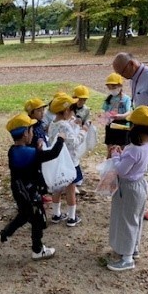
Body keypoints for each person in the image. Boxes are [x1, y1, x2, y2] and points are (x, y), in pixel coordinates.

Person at [0, 113, 67, 261]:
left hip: (19, 190)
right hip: (30, 193)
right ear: (25, 133)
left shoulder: (14, 150)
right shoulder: (29, 153)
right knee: (37, 219)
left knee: (25, 215)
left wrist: (36, 149)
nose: (32, 133)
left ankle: (1, 236)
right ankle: (37, 250)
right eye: (31, 130)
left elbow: (30, 159)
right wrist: (61, 139)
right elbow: (53, 154)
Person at [112, 52, 148, 221]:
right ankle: (135, 193)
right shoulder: (135, 78)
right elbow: (140, 105)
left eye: (122, 72)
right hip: (142, 122)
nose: (121, 76)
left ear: (131, 64)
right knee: (138, 157)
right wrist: (125, 117)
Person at [106, 106, 148, 271]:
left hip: (129, 188)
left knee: (127, 220)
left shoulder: (135, 149)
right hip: (140, 184)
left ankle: (127, 258)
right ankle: (133, 248)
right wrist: (122, 155)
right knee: (134, 219)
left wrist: (115, 155)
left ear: (138, 128)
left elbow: (121, 170)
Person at [47, 94, 89, 227]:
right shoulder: (65, 126)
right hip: (69, 162)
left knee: (57, 188)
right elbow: (74, 142)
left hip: (56, 162)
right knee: (71, 189)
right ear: (66, 111)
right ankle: (71, 217)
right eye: (72, 109)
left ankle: (56, 214)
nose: (73, 112)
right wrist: (83, 131)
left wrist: (71, 123)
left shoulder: (53, 124)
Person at [25, 98, 52, 204]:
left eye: (43, 110)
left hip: (41, 153)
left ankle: (40, 194)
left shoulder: (39, 122)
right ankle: (32, 196)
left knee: (41, 175)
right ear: (31, 113)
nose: (42, 113)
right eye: (39, 111)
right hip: (33, 155)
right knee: (34, 177)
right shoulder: (29, 125)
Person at [101, 72, 132, 158]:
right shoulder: (108, 99)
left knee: (122, 150)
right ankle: (109, 167)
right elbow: (104, 112)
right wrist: (106, 117)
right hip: (111, 126)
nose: (112, 89)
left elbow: (129, 111)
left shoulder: (126, 99)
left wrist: (121, 116)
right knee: (110, 150)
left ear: (120, 86)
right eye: (110, 87)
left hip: (123, 126)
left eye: (114, 87)